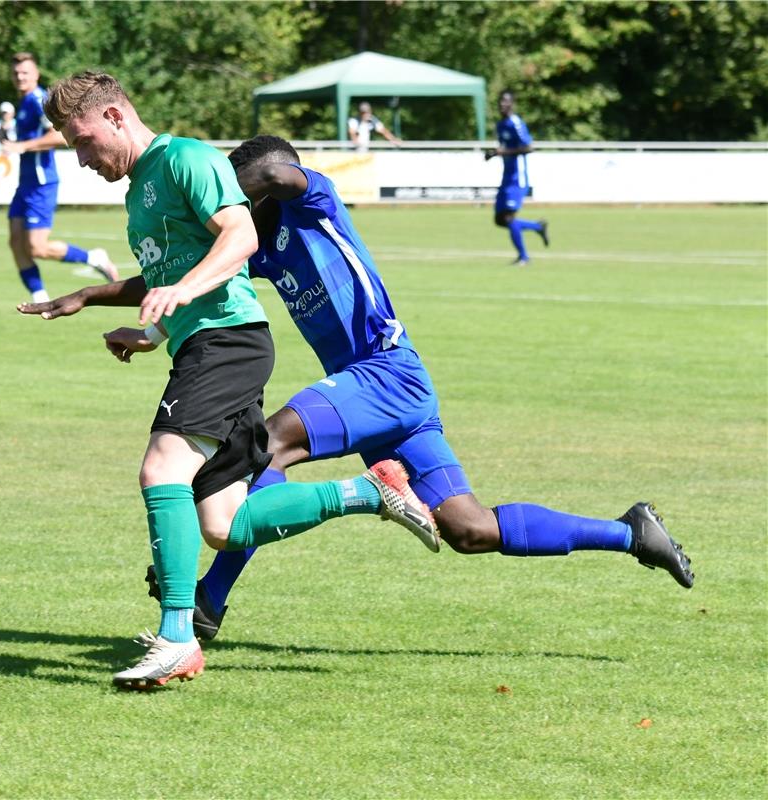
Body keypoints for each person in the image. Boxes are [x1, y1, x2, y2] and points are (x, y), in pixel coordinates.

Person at [140, 135, 693, 642]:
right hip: (389, 393)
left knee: (271, 445)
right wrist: (90, 296)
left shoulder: (313, 201)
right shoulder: (257, 245)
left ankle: (210, 596)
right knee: (469, 529)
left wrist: (219, 186)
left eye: (238, 193)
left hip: (383, 374)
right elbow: (192, 270)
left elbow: (280, 174)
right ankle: (631, 534)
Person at [23, 72, 439, 690]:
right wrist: (152, 329)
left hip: (229, 344)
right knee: (223, 523)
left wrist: (181, 293)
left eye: (83, 141)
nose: (81, 159)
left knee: (161, 472)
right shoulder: (140, 191)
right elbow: (182, 272)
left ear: (114, 117)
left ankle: (176, 638)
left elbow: (240, 236)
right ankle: (368, 492)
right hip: (206, 342)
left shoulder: (186, 158)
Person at [0, 52, 118, 302]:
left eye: (25, 73)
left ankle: (93, 257)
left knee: (37, 247)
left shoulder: (39, 100)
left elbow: (58, 136)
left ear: (36, 74)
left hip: (42, 183)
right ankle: (39, 297)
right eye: (16, 73)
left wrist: (22, 146)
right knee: (15, 241)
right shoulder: (23, 103)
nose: (20, 77)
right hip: (26, 183)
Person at [485, 90, 549, 266]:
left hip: (517, 178)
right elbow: (504, 148)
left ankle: (524, 257)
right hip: (506, 177)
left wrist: (502, 152)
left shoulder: (516, 123)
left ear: (512, 104)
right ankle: (538, 227)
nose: (503, 105)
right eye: (501, 101)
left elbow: (528, 147)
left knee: (508, 218)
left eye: (507, 102)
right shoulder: (501, 125)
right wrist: (494, 154)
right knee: (499, 219)